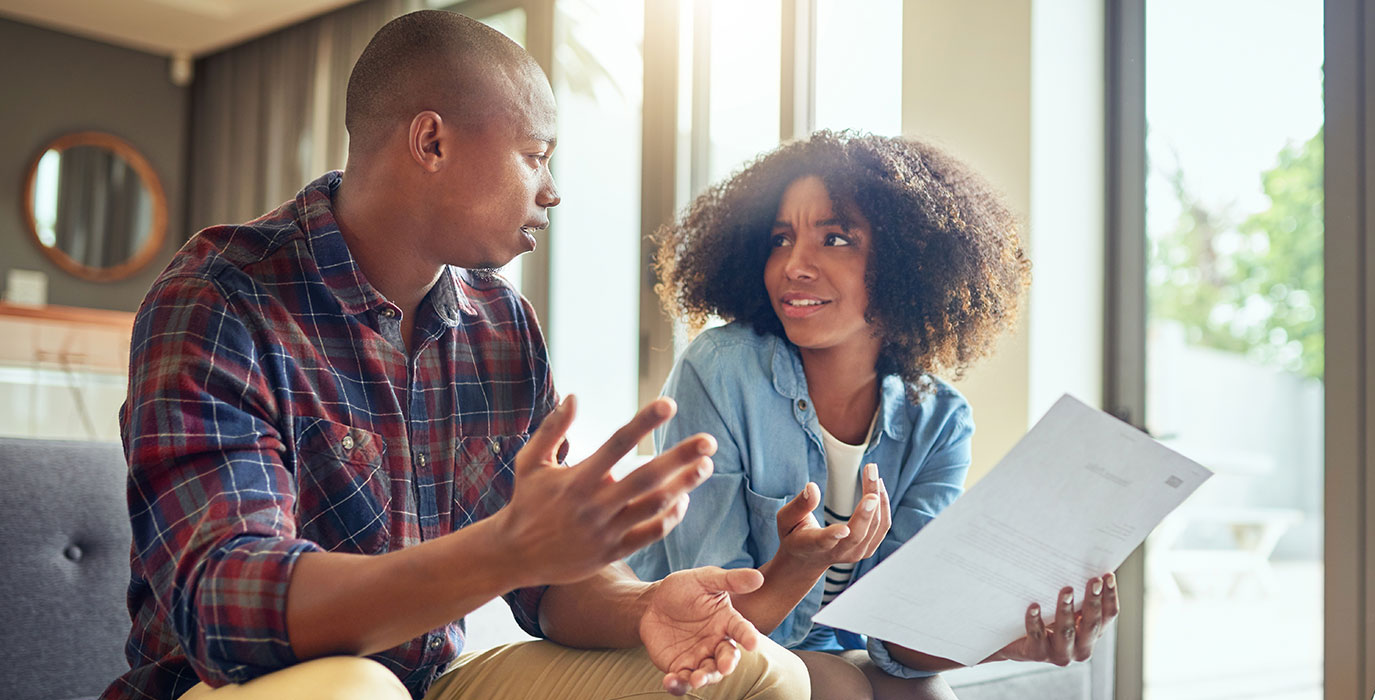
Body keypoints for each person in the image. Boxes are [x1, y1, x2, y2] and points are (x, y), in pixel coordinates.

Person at [104, 10, 808, 700]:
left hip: (428, 685)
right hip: (230, 687)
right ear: (432, 142)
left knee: (763, 673)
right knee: (356, 690)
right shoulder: (222, 297)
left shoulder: (502, 323)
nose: (553, 192)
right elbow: (226, 606)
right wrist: (507, 548)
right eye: (535, 155)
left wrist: (643, 606)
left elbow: (547, 583)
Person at [627, 131, 1119, 699]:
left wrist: (1010, 639)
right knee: (839, 684)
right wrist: (798, 565)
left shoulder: (940, 423)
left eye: (835, 238)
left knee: (926, 692)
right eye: (780, 239)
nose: (794, 265)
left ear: (909, 265)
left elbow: (897, 632)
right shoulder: (719, 371)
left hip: (818, 655)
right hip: (691, 645)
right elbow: (719, 616)